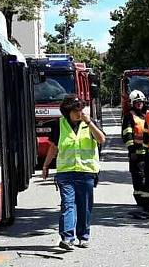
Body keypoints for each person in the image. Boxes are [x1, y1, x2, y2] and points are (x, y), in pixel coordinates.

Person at [42, 95, 106, 250]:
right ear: (67, 112)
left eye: (81, 109)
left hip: (86, 172)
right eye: (76, 110)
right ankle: (67, 238)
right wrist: (46, 166)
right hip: (66, 173)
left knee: (84, 207)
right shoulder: (60, 125)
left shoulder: (89, 124)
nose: (80, 113)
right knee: (68, 204)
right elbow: (54, 147)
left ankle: (83, 237)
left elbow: (101, 139)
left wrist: (89, 123)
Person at [122, 90, 148, 206]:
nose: (139, 104)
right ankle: (140, 199)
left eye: (140, 102)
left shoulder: (148, 114)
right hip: (136, 154)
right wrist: (132, 150)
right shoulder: (129, 116)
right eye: (136, 102)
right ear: (132, 103)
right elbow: (127, 135)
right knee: (138, 177)